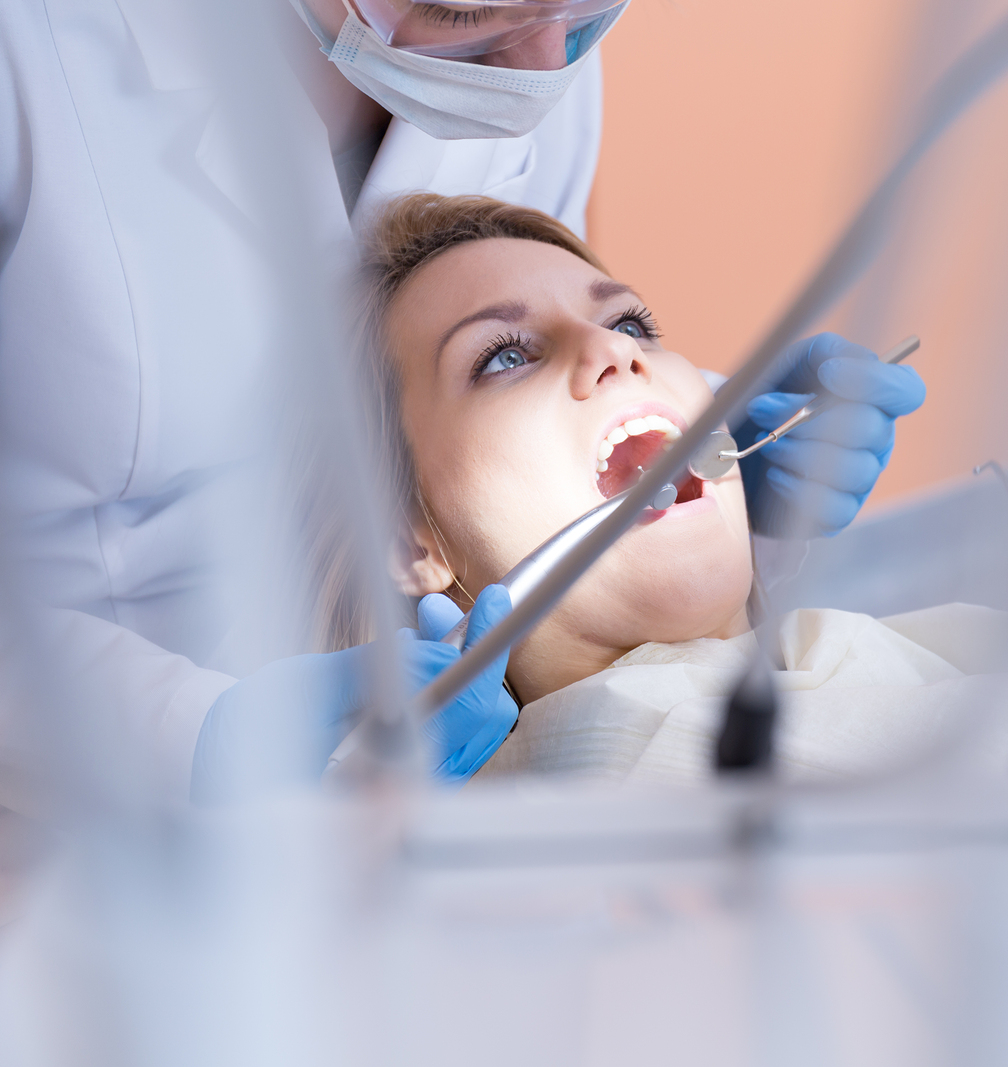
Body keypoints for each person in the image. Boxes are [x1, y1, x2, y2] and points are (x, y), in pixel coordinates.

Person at [0, 0, 924, 805]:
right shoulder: (30, 68)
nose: (542, 66)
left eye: (638, 327)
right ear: (406, 541)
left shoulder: (541, 38)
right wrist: (195, 737)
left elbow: (545, 333)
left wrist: (708, 435)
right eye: (459, 13)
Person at [355, 193, 1008, 784]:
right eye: (504, 356)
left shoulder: (967, 650)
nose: (614, 353)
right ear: (408, 542)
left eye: (630, 321)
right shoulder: (568, 818)